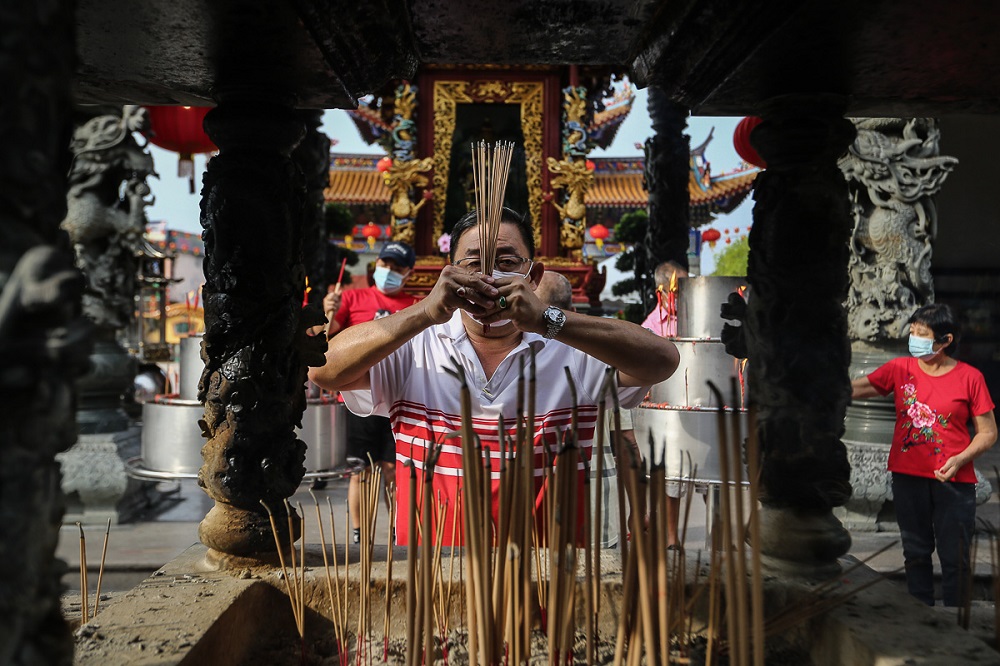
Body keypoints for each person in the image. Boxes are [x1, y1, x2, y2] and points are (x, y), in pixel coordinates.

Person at [309, 208, 680, 545]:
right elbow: (323, 368)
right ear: (448, 273)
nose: (487, 276)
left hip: (546, 578)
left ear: (532, 276)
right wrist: (425, 311)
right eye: (472, 263)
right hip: (432, 583)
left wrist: (547, 318)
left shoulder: (573, 352)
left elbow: (662, 360)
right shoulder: (415, 348)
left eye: (505, 261)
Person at [851, 303, 996, 606]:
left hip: (954, 480)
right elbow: (856, 388)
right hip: (908, 478)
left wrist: (959, 459)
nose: (914, 338)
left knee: (955, 556)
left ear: (945, 341)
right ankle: (920, 615)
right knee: (915, 553)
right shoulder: (899, 369)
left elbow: (988, 433)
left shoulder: (970, 378)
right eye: (913, 332)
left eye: (923, 334)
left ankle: (957, 623)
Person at [323, 240, 418, 543]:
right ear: (376, 264)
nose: (388, 270)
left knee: (393, 470)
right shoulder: (351, 297)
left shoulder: (416, 306)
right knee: (360, 470)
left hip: (398, 398)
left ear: (408, 272)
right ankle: (359, 534)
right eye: (385, 264)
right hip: (357, 399)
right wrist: (327, 312)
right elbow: (325, 341)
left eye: (397, 267)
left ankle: (396, 532)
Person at [536, 271, 635, 548]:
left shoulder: (516, 359)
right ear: (575, 310)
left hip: (536, 516)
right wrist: (638, 513)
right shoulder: (601, 356)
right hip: (596, 511)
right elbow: (626, 442)